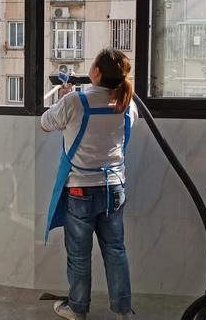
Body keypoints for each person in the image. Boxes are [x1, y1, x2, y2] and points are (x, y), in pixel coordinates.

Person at [42, 48, 138, 320]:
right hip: (114, 190)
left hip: (80, 191)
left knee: (79, 256)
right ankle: (123, 312)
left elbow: (45, 123)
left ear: (95, 72)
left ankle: (77, 309)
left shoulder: (75, 101)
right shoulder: (127, 104)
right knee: (116, 251)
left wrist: (62, 100)